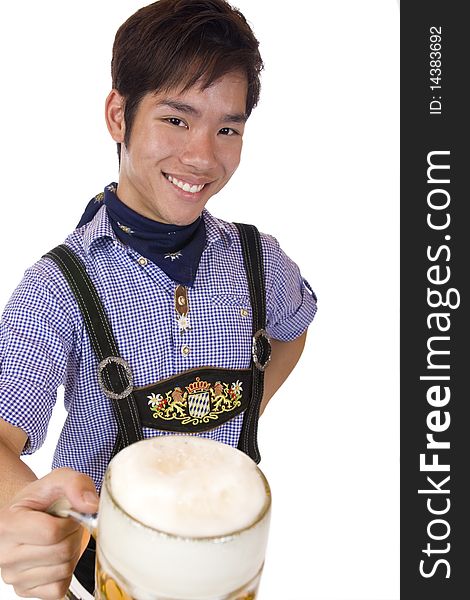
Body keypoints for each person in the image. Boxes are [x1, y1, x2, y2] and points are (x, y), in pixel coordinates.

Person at [0, 0, 317, 598]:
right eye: (176, 119)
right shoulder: (61, 286)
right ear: (119, 115)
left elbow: (294, 326)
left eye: (228, 128)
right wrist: (35, 524)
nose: (203, 156)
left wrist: (252, 410)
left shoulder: (257, 260)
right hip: (113, 571)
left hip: (231, 563)